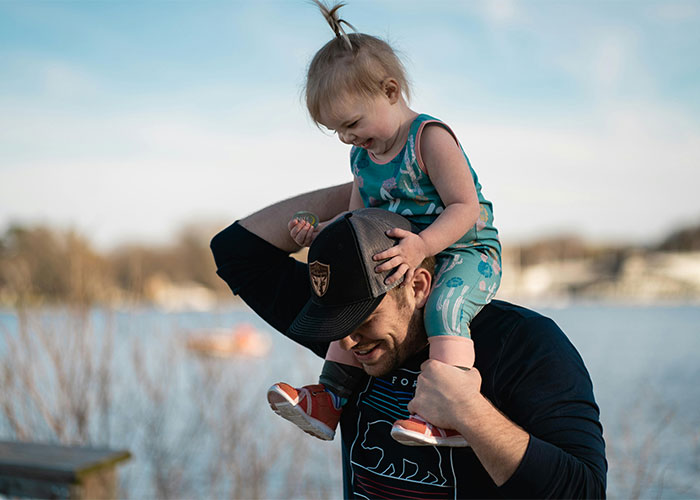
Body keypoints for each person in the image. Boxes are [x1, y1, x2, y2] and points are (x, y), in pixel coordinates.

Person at [210, 186, 607, 498]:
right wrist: (376, 183)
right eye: (335, 323)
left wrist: (469, 414)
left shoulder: (524, 344)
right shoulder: (350, 346)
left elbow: (585, 492)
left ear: (417, 286)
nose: (346, 340)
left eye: (362, 320)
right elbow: (235, 250)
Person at [275, 0, 502, 447]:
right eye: (337, 130)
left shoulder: (429, 139)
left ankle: (450, 412)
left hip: (465, 252)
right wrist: (322, 230)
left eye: (352, 123)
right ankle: (330, 399)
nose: (348, 137)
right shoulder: (362, 157)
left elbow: (465, 207)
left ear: (391, 91)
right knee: (350, 298)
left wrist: (423, 245)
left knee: (443, 308)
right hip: (408, 256)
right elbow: (358, 217)